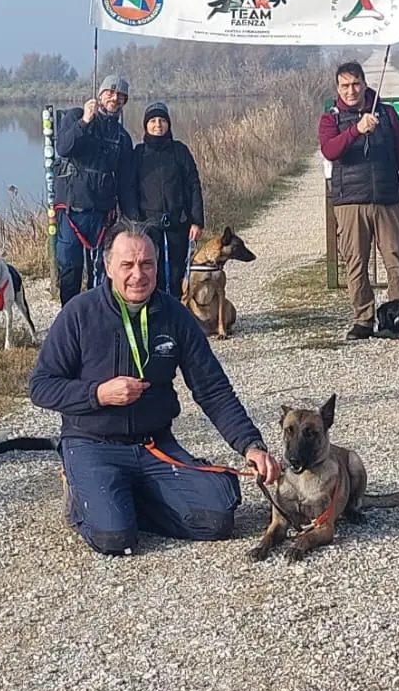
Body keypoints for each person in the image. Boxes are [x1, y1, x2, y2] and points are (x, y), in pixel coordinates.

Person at [29, 220, 280, 556]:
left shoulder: (174, 314)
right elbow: (41, 387)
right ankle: (87, 499)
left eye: (147, 264)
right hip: (92, 443)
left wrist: (251, 445)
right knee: (115, 540)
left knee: (217, 519)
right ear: (108, 267)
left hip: (153, 445)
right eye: (127, 265)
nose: (138, 275)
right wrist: (98, 394)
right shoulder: (78, 313)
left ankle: (125, 499)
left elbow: (212, 388)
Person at [319, 61, 399, 341]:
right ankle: (363, 318)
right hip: (350, 201)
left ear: (364, 84)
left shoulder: (387, 113)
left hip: (387, 199)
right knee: (356, 262)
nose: (351, 91)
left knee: (395, 258)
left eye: (355, 84)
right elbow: (330, 151)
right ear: (337, 88)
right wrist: (356, 131)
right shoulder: (330, 119)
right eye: (344, 86)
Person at [52, 74, 140, 305]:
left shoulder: (122, 137)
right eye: (110, 92)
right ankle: (68, 317)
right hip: (72, 210)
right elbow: (63, 148)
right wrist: (85, 121)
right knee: (70, 268)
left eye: (121, 96)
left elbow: (125, 182)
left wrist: (132, 220)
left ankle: (99, 314)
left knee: (103, 269)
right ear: (100, 94)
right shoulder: (75, 117)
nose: (115, 98)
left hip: (103, 214)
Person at [132, 101, 204, 296]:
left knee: (177, 273)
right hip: (148, 224)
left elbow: (193, 185)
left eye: (162, 120)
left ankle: (179, 316)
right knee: (151, 271)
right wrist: (135, 221)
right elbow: (129, 188)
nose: (158, 125)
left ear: (169, 124)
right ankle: (155, 314)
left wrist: (197, 221)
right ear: (146, 125)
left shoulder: (180, 151)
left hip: (178, 221)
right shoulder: (138, 154)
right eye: (153, 121)